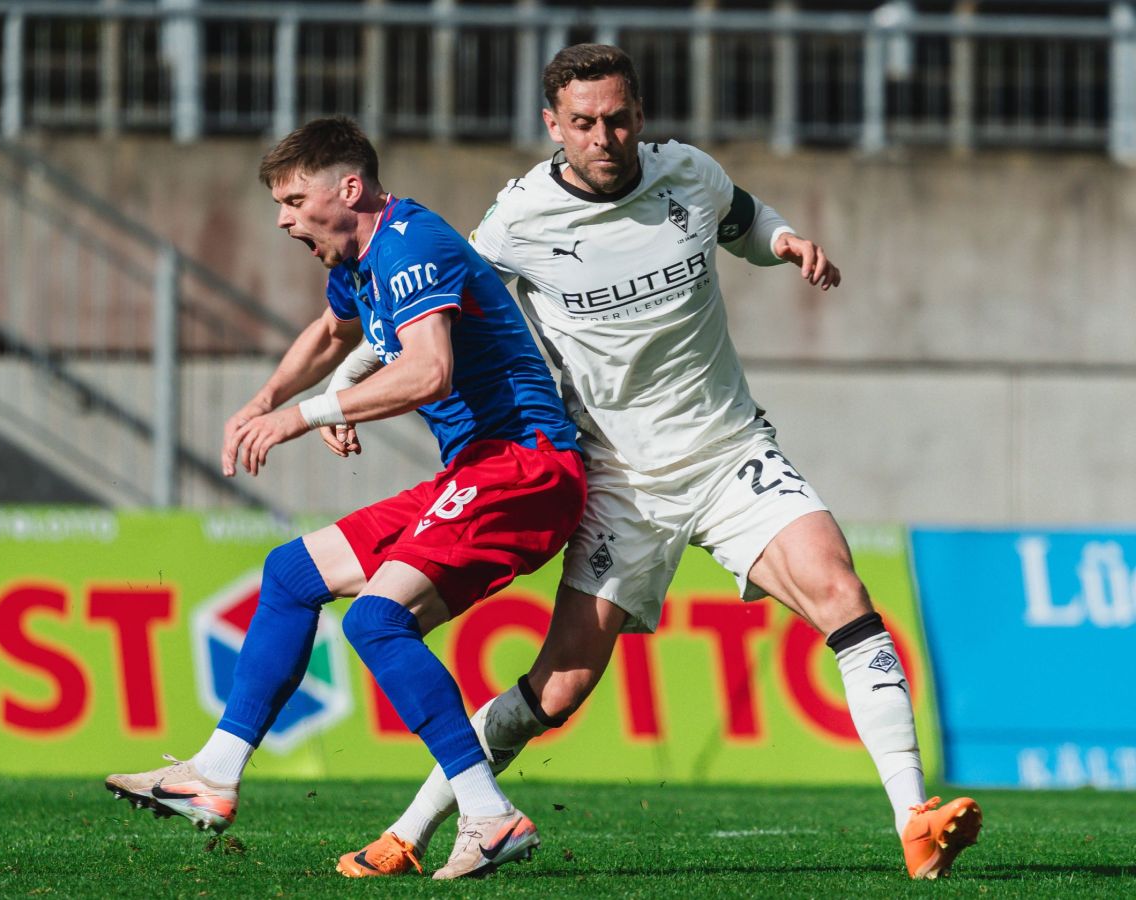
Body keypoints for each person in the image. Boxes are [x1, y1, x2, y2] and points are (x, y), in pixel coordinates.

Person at [329, 44, 982, 882]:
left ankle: (914, 819)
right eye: (584, 123)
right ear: (553, 125)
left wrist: (787, 241)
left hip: (729, 451)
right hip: (619, 482)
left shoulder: (688, 174)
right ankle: (412, 828)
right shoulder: (518, 220)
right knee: (557, 690)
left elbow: (746, 220)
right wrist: (348, 382)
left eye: (618, 119)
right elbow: (433, 303)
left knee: (842, 594)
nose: (604, 137)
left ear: (640, 113)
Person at [104, 116, 588, 880]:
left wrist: (306, 414)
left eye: (294, 200)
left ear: (350, 188)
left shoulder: (411, 244)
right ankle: (215, 774)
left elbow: (428, 370)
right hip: (477, 471)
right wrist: (263, 401)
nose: (283, 219)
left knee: (374, 621)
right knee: (291, 575)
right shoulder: (361, 262)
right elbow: (333, 334)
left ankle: (489, 814)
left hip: (525, 469)